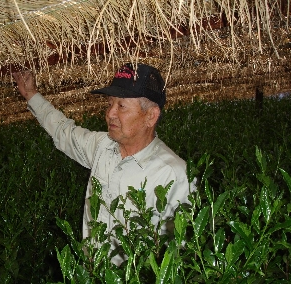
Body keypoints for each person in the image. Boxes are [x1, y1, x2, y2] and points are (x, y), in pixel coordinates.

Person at [13, 63, 195, 265]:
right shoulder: (102, 147)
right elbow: (63, 131)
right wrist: (31, 94)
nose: (110, 113)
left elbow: (180, 256)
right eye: (110, 104)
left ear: (151, 116)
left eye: (122, 106)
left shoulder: (174, 175)